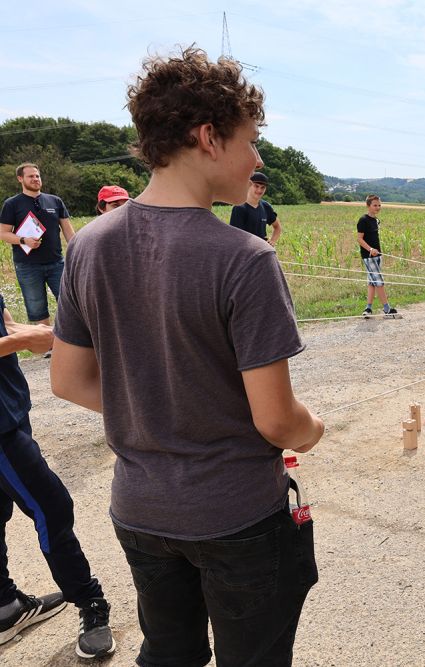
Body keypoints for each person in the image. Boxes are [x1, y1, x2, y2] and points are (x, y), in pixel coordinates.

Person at [49, 47, 325, 667]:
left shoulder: (89, 246)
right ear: (208, 138)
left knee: (168, 654)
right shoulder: (245, 259)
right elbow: (276, 421)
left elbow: (67, 380)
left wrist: (150, 408)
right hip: (237, 517)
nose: (258, 159)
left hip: (140, 510)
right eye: (251, 141)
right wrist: (312, 429)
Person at [0, 296, 114, 658]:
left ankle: (4, 607)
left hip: (10, 407)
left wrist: (41, 333)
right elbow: (13, 337)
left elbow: (6, 322)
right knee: (51, 508)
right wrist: (21, 341)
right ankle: (90, 602)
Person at [0, 164, 76, 330]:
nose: (35, 179)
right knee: (37, 309)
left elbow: (69, 232)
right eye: (31, 176)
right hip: (27, 266)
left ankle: (71, 338)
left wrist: (78, 253)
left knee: (70, 303)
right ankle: (47, 341)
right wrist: (23, 240)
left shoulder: (55, 201)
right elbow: (3, 233)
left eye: (37, 176)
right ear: (20, 179)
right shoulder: (12, 204)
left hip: (57, 263)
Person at [357, 194, 398, 317]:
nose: (378, 207)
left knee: (372, 282)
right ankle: (387, 309)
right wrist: (370, 249)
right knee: (379, 282)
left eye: (379, 205)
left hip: (378, 255)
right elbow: (359, 239)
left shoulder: (376, 220)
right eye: (375, 205)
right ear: (368, 205)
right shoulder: (363, 220)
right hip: (368, 256)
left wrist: (378, 251)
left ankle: (368, 309)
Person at [229, 171, 282, 246]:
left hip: (263, 249)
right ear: (249, 185)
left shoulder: (266, 206)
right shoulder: (239, 208)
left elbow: (277, 227)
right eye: (256, 186)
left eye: (263, 187)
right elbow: (235, 236)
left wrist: (272, 241)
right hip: (247, 250)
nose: (259, 190)